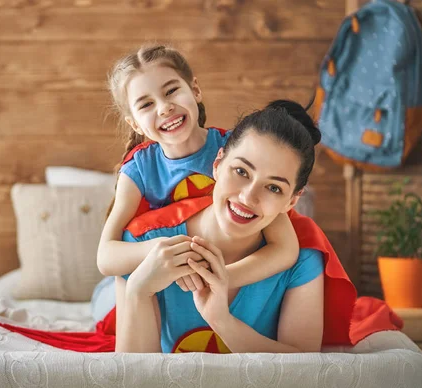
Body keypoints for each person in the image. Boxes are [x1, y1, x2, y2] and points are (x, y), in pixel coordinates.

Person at [116, 100, 325, 353]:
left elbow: (307, 370)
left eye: (273, 188)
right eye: (241, 171)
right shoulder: (142, 243)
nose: (248, 197)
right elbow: (134, 376)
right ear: (217, 163)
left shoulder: (303, 262)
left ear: (291, 200)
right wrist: (138, 290)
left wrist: (221, 321)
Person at [97, 44, 299, 298]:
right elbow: (106, 257)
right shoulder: (138, 170)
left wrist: (222, 277)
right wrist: (165, 248)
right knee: (114, 293)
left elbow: (285, 248)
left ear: (195, 90)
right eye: (146, 104)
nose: (164, 107)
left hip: (232, 276)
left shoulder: (235, 152)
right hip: (171, 283)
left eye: (171, 91)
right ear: (135, 123)